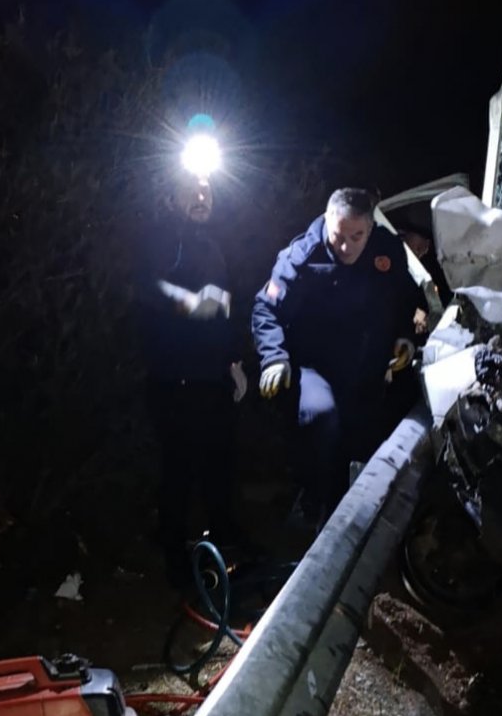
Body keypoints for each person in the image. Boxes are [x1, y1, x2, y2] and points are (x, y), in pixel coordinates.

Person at [252, 187, 426, 527]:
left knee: (363, 444)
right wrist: (273, 357)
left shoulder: (387, 249)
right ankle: (313, 506)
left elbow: (403, 299)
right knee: (322, 420)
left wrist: (404, 336)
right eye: (338, 237)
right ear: (327, 221)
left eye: (356, 237)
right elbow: (265, 308)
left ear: (370, 228)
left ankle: (351, 523)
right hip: (315, 367)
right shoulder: (302, 256)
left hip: (366, 367)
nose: (346, 247)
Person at [135, 171, 249, 587]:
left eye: (208, 191)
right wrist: (187, 302)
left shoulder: (212, 244)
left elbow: (224, 309)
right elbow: (148, 287)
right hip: (174, 377)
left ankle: (223, 534)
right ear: (171, 199)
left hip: (212, 376)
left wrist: (234, 361)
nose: (202, 198)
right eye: (192, 192)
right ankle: (174, 552)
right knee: (178, 468)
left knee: (220, 460)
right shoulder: (159, 239)